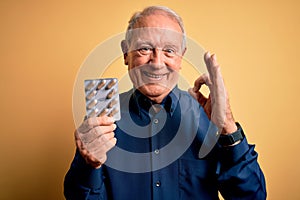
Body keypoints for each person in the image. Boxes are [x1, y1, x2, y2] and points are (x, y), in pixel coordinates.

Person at [64, 6, 267, 200]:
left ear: (181, 57)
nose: (157, 62)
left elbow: (251, 197)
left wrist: (227, 126)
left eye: (169, 50)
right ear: (126, 53)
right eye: (144, 48)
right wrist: (89, 165)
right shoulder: (102, 122)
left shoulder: (208, 118)